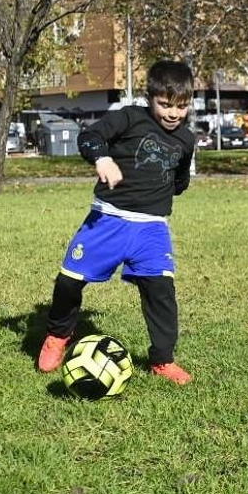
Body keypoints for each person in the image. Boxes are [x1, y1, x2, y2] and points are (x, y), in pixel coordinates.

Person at [36, 60, 200, 385]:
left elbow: (180, 181)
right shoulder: (129, 117)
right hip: (107, 221)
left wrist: (159, 187)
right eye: (165, 104)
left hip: (151, 228)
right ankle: (58, 335)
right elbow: (89, 136)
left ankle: (162, 360)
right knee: (69, 282)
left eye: (181, 107)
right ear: (149, 98)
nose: (173, 113)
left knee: (161, 291)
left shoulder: (186, 139)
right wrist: (103, 158)